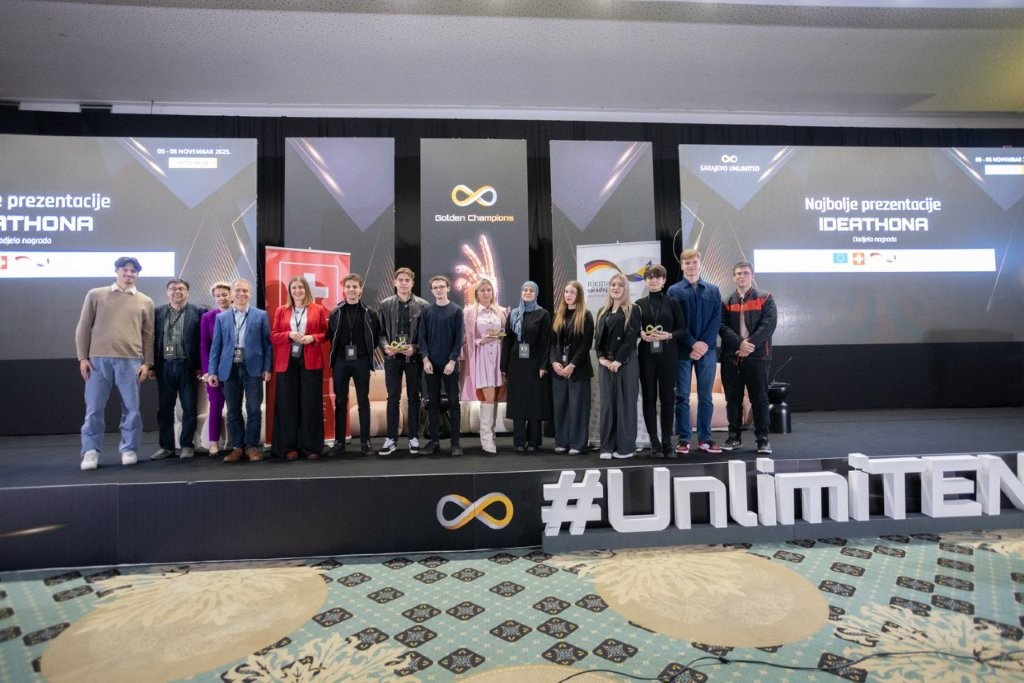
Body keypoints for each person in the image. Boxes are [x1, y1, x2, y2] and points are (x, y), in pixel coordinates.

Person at [75, 256, 155, 470]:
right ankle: (90, 451)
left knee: (132, 409)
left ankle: (129, 448)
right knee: (94, 408)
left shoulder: (145, 301)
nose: (129, 274)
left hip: (131, 360)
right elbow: (83, 328)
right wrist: (83, 358)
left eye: (133, 271)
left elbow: (149, 335)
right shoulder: (96, 294)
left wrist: (147, 363)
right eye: (125, 270)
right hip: (97, 360)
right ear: (117, 271)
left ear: (137, 274)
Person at [207, 278, 272, 463]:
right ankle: (238, 447)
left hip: (254, 368)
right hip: (229, 369)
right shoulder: (222, 318)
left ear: (250, 293)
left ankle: (252, 446)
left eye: (245, 290)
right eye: (237, 290)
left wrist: (267, 367)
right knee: (233, 410)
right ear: (232, 294)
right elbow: (216, 346)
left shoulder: (261, 315)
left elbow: (268, 344)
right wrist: (212, 371)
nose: (241, 294)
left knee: (254, 409)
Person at [667, 248, 723, 455]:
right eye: (687, 263)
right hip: (682, 351)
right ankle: (684, 439)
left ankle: (705, 439)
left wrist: (702, 346)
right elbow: (674, 322)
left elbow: (716, 320)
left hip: (707, 351)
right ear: (682, 266)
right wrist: (692, 344)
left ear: (700, 265)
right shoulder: (673, 291)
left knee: (705, 396)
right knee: (681, 396)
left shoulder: (713, 290)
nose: (691, 266)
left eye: (694, 262)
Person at [720, 261, 778, 455]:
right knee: (733, 400)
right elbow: (721, 327)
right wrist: (740, 344)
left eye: (745, 273)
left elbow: (768, 325)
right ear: (733, 277)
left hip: (758, 357)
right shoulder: (726, 301)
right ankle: (734, 438)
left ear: (752, 276)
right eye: (738, 273)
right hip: (732, 357)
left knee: (759, 399)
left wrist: (749, 346)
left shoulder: (765, 297)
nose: (742, 276)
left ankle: (762, 440)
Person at [271, 276, 329, 460]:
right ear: (289, 291)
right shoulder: (281, 310)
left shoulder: (318, 309)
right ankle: (288, 447)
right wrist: (288, 334)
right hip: (286, 362)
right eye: (294, 288)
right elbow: (274, 335)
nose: (297, 291)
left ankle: (310, 447)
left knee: (310, 404)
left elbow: (326, 333)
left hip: (311, 360)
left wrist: (313, 338)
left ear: (306, 290)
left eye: (301, 287)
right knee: (287, 405)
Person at [327, 273, 382, 457]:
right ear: (344, 289)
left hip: (361, 361)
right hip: (341, 361)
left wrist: (364, 352)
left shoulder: (370, 313)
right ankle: (339, 442)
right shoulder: (335, 312)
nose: (351, 290)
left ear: (360, 290)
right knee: (340, 401)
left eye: (355, 287)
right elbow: (331, 336)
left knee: (363, 401)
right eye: (348, 286)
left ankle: (366, 443)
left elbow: (375, 337)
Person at [150, 278, 205, 461]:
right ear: (167, 292)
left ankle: (187, 445)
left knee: (189, 408)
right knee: (165, 409)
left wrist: (200, 366)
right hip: (164, 366)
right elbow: (151, 339)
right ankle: (166, 447)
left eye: (181, 288)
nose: (177, 292)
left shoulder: (198, 312)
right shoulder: (157, 312)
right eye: (173, 289)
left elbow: (202, 341)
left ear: (187, 292)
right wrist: (151, 365)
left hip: (187, 367)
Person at [377, 268, 428, 456]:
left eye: (407, 280)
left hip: (413, 357)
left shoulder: (423, 306)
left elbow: (426, 335)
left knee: (414, 397)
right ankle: (391, 438)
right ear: (395, 282)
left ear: (412, 283)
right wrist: (385, 346)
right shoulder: (385, 305)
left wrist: (414, 347)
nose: (404, 283)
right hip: (392, 357)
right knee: (393, 397)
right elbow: (380, 333)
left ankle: (413, 437)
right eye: (401, 280)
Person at [635, 265, 685, 458]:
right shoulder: (638, 304)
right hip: (646, 355)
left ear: (664, 280)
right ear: (646, 281)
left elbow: (683, 329)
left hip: (668, 355)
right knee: (648, 397)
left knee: (667, 398)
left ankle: (667, 441)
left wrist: (669, 335)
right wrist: (641, 333)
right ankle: (654, 441)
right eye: (650, 277)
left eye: (658, 277)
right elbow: (633, 328)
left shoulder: (673, 303)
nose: (654, 280)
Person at [594, 272, 641, 459]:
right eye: (613, 284)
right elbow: (598, 338)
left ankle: (625, 448)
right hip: (606, 364)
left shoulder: (633, 309)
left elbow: (631, 338)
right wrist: (601, 358)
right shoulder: (602, 311)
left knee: (626, 405)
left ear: (625, 288)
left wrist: (618, 360)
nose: (616, 288)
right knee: (608, 406)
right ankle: (607, 447)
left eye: (620, 285)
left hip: (626, 363)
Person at [501, 281, 552, 453]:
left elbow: (546, 342)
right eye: (525, 290)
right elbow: (507, 341)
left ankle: (534, 441)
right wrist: (504, 367)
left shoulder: (542, 314)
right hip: (516, 364)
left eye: (531, 290)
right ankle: (519, 441)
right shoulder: (514, 314)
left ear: (536, 294)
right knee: (518, 402)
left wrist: (544, 365)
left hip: (534, 364)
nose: (528, 292)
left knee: (534, 402)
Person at [418, 275, 465, 456]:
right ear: (432, 291)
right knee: (433, 403)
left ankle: (455, 443)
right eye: (435, 287)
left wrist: (452, 361)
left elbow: (459, 339)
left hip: (450, 365)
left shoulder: (456, 310)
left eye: (442, 287)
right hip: (431, 364)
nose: (439, 290)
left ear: (448, 288)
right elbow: (422, 338)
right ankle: (434, 442)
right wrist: (425, 359)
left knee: (453, 403)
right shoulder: (427, 311)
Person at [462, 278, 508, 453]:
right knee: (488, 396)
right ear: (477, 293)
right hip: (481, 357)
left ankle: (491, 436)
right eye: (482, 290)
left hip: (498, 356)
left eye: (489, 290)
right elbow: (465, 338)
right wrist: (481, 341)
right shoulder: (469, 312)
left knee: (495, 396)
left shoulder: (501, 311)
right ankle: (486, 439)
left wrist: (499, 336)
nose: (486, 293)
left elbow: (507, 334)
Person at [550, 281, 594, 455]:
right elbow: (552, 344)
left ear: (579, 295)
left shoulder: (586, 316)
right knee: (560, 407)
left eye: (572, 292)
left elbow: (585, 345)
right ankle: (562, 441)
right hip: (558, 370)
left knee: (578, 408)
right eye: (566, 292)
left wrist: (572, 364)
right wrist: (554, 362)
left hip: (578, 370)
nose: (568, 295)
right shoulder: (558, 315)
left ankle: (578, 444)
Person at [200, 281, 232, 455]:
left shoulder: (239, 314)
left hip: (235, 369)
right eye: (217, 296)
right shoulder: (208, 317)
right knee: (216, 406)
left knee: (234, 407)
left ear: (231, 295)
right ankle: (213, 443)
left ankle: (237, 443)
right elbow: (204, 346)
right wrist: (207, 371)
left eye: (224, 295)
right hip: (215, 371)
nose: (221, 298)